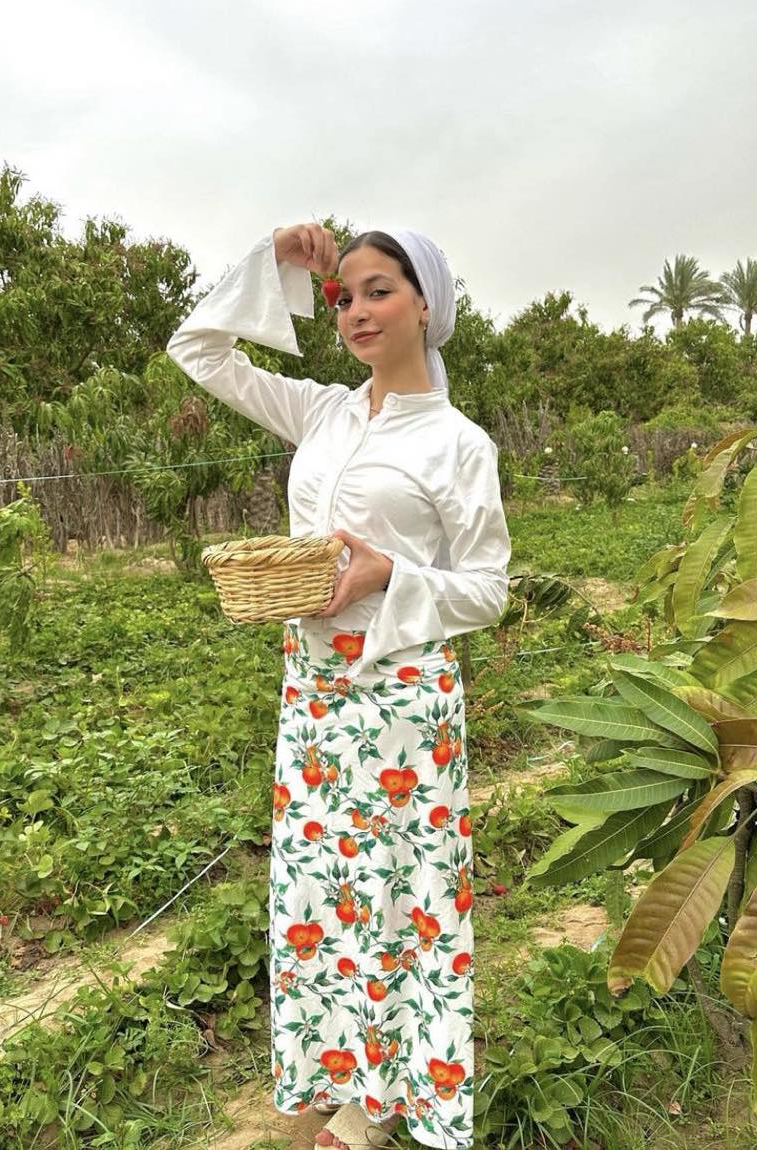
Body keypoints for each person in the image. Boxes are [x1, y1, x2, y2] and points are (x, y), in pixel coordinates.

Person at [167, 223, 510, 1150]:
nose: (356, 311)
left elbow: (487, 588)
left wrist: (389, 575)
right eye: (343, 297)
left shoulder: (457, 443)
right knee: (321, 890)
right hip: (314, 691)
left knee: (399, 895)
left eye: (378, 291)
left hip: (401, 696)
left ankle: (391, 1095)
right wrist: (278, 260)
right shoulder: (320, 413)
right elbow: (197, 348)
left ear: (426, 304)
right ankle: (338, 1069)